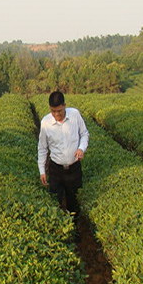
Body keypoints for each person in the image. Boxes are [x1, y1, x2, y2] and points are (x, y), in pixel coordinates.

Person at [37, 90, 89, 219]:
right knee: (56, 203)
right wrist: (42, 170)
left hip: (74, 169)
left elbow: (84, 134)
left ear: (64, 105)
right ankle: (61, 227)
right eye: (53, 111)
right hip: (56, 170)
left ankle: (74, 224)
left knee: (74, 202)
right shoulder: (45, 123)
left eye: (59, 111)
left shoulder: (75, 115)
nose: (56, 114)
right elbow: (42, 148)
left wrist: (81, 148)